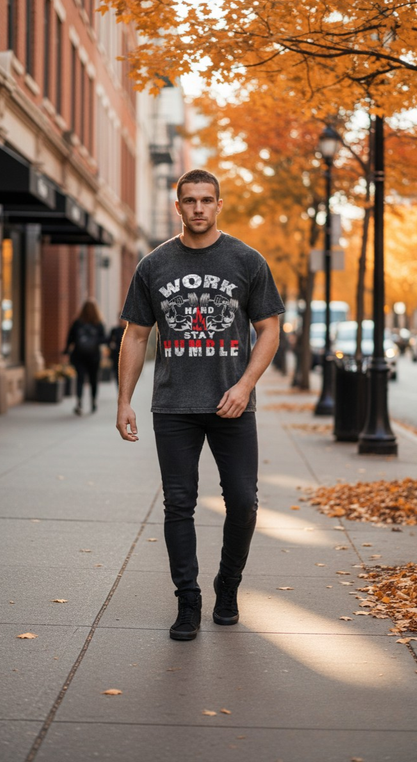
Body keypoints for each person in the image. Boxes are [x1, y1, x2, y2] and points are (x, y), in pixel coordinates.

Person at [116, 169, 284, 641]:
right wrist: (124, 400)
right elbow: (136, 334)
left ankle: (227, 587)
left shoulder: (246, 261)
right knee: (178, 504)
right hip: (173, 407)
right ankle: (187, 600)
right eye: (189, 200)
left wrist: (246, 385)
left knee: (244, 504)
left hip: (232, 405)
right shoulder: (153, 265)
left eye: (206, 200)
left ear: (218, 205)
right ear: (178, 207)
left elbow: (269, 329)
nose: (197, 208)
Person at [64, 298, 106, 415]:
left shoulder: (78, 322)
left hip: (79, 355)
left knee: (80, 379)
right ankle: (93, 402)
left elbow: (70, 338)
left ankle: (79, 402)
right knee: (93, 380)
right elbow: (104, 339)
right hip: (94, 356)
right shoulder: (98, 323)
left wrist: (66, 350)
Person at [107, 318, 127, 387]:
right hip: (116, 355)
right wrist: (112, 347)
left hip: (126, 355)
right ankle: (119, 388)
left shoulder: (128, 330)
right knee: (117, 373)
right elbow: (109, 341)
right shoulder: (115, 330)